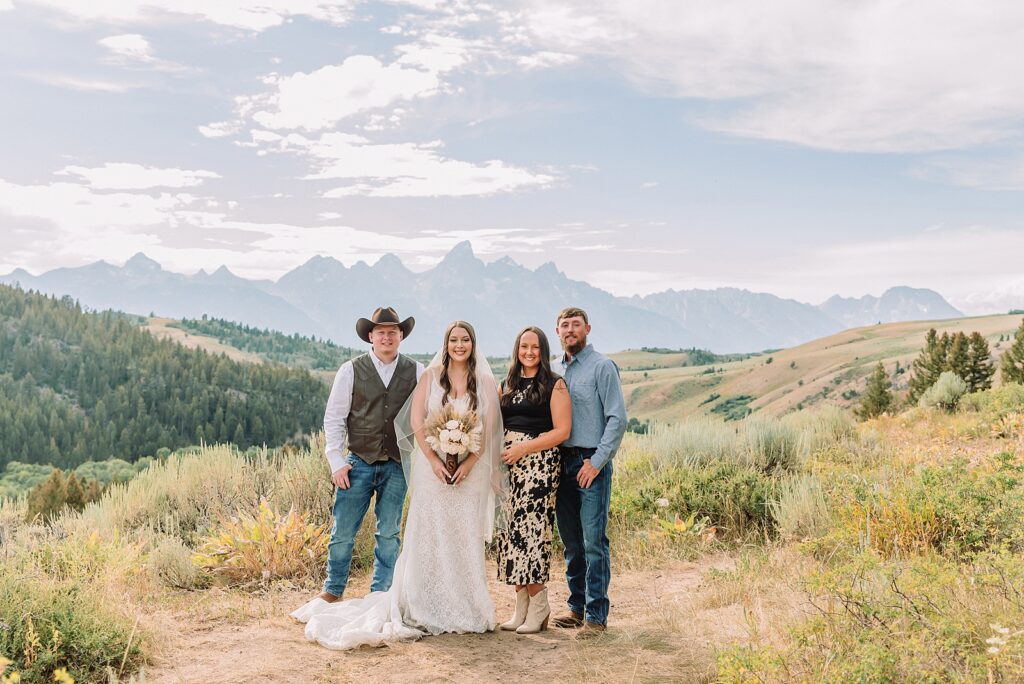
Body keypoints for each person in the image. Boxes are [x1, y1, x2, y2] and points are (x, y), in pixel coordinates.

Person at [291, 320, 507, 649]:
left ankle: (460, 603)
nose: (459, 345)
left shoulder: (462, 378)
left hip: (460, 473)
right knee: (376, 532)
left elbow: (489, 428)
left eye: (465, 340)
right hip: (401, 467)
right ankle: (341, 590)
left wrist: (469, 460)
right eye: (454, 339)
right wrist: (434, 459)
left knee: (443, 535)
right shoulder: (404, 374)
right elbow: (407, 421)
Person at [314, 306, 422, 604]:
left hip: (397, 465)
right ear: (371, 336)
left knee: (389, 533)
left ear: (401, 336)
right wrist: (336, 462)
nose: (387, 337)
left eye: (392, 332)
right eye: (381, 332)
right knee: (343, 532)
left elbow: (427, 416)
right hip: (357, 462)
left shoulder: (416, 371)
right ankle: (333, 589)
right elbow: (334, 418)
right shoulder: (351, 369)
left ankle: (381, 593)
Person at [551, 306, 626, 638]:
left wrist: (596, 463)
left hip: (589, 463)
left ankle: (596, 615)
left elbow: (617, 419)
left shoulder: (602, 367)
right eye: (564, 325)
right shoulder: (553, 370)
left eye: (576, 325)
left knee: (593, 541)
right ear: (557, 332)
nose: (570, 330)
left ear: (588, 329)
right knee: (570, 542)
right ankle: (576, 608)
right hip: (560, 462)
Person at [496, 327, 571, 634]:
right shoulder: (507, 384)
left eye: (535, 347)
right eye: (524, 346)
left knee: (532, 533)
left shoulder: (555, 384)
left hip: (539, 464)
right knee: (510, 534)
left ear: (543, 350)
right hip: (509, 467)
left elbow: (562, 431)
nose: (529, 352)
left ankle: (539, 607)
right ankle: (521, 607)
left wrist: (523, 448)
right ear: (517, 349)